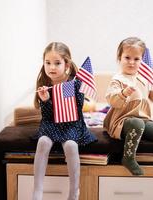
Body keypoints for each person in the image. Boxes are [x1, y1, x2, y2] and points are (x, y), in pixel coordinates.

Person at [103, 37, 153, 175]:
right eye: (127, 57)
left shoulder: (143, 79)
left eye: (136, 59)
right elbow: (112, 100)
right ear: (119, 58)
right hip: (122, 121)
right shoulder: (118, 80)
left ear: (142, 60)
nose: (131, 62)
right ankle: (128, 158)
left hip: (142, 119)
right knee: (136, 123)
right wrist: (124, 93)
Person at [33, 42, 97, 200]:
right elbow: (46, 116)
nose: (51, 67)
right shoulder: (45, 84)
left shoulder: (74, 82)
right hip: (50, 123)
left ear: (66, 64)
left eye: (57, 63)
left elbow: (76, 109)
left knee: (70, 145)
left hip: (72, 123)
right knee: (43, 142)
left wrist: (69, 91)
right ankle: (37, 191)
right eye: (47, 63)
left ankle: (74, 192)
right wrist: (46, 101)